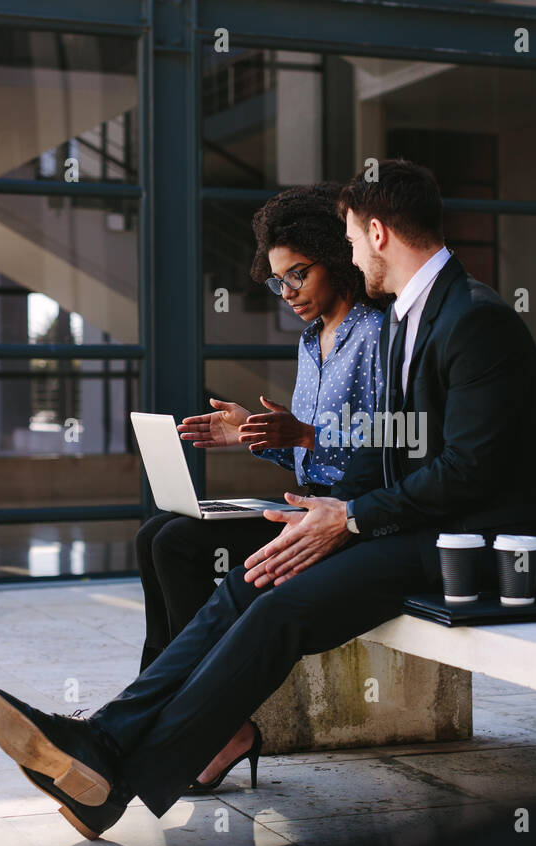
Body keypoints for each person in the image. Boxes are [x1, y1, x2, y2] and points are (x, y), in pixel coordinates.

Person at [0, 160, 536, 840]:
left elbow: (469, 470)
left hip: (477, 550)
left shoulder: (472, 320)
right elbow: (402, 447)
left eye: (347, 238)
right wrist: (312, 484)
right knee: (247, 583)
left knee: (277, 602)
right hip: (410, 523)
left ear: (375, 233)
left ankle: (114, 772)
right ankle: (106, 745)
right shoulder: (418, 315)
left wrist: (347, 515)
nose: (345, 253)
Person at [132, 183, 384, 794]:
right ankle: (168, 709)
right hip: (303, 504)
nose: (288, 293)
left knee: (179, 545)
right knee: (158, 534)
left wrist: (302, 436)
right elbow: (305, 447)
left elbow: (383, 456)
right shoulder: (310, 340)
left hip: (349, 519)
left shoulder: (377, 336)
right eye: (277, 282)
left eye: (297, 274)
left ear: (338, 254)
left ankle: (212, 724)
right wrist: (251, 432)